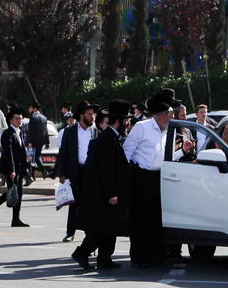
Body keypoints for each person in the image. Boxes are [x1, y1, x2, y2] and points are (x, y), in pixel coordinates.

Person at [73, 99, 132, 272]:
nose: (127, 123)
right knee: (102, 228)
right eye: (126, 120)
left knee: (109, 227)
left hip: (104, 192)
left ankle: (104, 259)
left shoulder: (111, 137)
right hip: (101, 193)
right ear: (119, 121)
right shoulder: (108, 139)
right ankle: (82, 253)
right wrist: (111, 193)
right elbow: (106, 169)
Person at [122, 89, 173, 267]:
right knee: (140, 219)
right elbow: (127, 151)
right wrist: (126, 177)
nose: (169, 119)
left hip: (158, 177)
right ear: (161, 115)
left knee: (155, 218)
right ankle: (139, 255)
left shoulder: (165, 130)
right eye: (167, 115)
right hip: (141, 176)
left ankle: (156, 254)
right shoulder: (142, 127)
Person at [57, 101, 99, 243]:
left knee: (90, 204)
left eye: (93, 114)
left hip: (91, 172)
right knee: (74, 203)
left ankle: (89, 234)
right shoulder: (70, 132)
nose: (93, 117)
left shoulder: (96, 131)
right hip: (75, 171)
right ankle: (70, 232)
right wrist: (62, 173)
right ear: (82, 115)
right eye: (89, 114)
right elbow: (63, 153)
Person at [0, 109, 31, 228]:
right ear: (11, 120)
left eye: (21, 118)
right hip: (12, 169)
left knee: (17, 193)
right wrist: (12, 170)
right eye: (17, 118)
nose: (19, 120)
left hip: (19, 168)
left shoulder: (19, 132)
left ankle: (15, 218)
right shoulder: (8, 133)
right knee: (12, 192)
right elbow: (8, 153)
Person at [24, 101, 50, 179]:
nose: (29, 110)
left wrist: (29, 142)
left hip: (32, 142)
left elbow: (30, 131)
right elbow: (46, 131)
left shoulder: (33, 117)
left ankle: (41, 170)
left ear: (34, 109)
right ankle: (34, 174)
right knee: (36, 157)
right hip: (41, 142)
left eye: (30, 108)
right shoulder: (44, 118)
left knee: (32, 158)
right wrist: (47, 142)